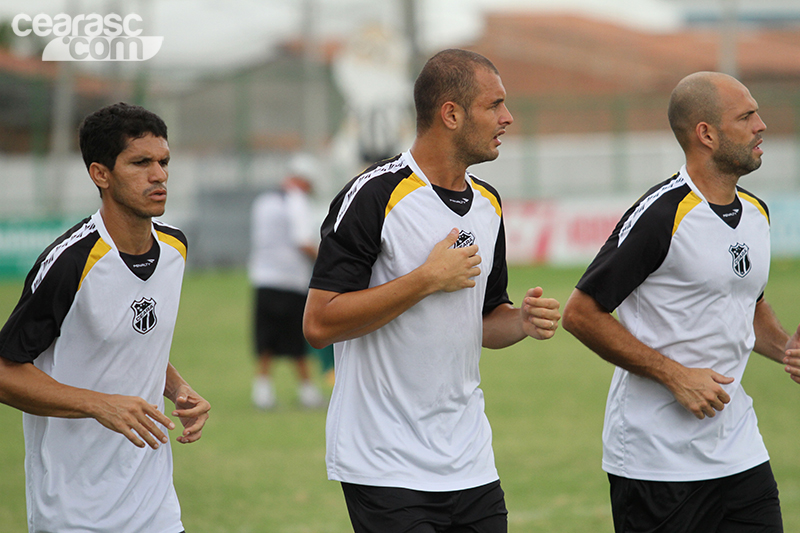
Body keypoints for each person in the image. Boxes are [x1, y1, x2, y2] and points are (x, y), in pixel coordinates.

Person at [303, 49, 562, 533]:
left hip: (470, 458)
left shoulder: (488, 204)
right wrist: (425, 279)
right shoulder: (373, 196)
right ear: (451, 113)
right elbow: (319, 323)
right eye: (495, 105)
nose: (507, 118)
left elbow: (486, 320)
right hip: (383, 461)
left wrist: (521, 321)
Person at [562, 71, 800, 532]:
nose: (761, 125)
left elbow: (746, 304)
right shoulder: (661, 215)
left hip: (739, 449)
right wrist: (675, 376)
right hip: (657, 463)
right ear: (706, 134)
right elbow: (580, 312)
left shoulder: (756, 213)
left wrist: (789, 349)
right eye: (747, 115)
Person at [0, 102, 210, 533]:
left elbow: (131, 336)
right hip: (75, 510)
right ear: (101, 174)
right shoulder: (69, 263)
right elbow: (5, 371)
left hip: (155, 505)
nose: (160, 175)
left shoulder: (175, 249)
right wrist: (99, 405)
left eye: (164, 161)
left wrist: (178, 389)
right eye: (141, 163)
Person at [249, 155, 326, 410]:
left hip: (263, 278)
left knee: (265, 339)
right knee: (296, 338)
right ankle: (307, 391)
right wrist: (327, 260)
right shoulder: (297, 201)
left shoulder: (263, 201)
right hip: (291, 280)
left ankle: (263, 391)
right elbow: (303, 241)